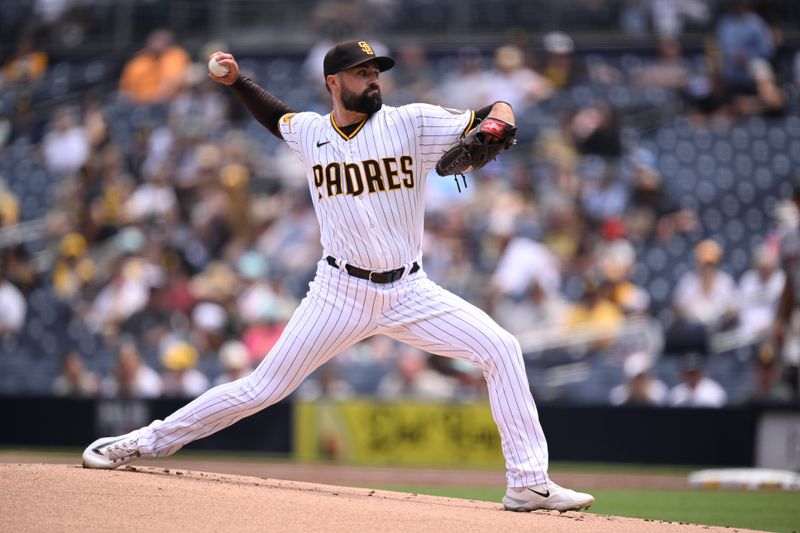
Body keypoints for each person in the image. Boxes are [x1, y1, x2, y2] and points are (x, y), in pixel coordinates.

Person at [82, 39, 594, 513]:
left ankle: (527, 482)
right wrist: (237, 82)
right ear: (333, 82)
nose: (373, 79)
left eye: (376, 71)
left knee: (501, 348)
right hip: (338, 292)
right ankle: (141, 442)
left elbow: (493, 112)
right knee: (262, 388)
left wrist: (498, 122)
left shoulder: (412, 121)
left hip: (410, 291)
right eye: (361, 72)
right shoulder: (310, 133)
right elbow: (275, 117)